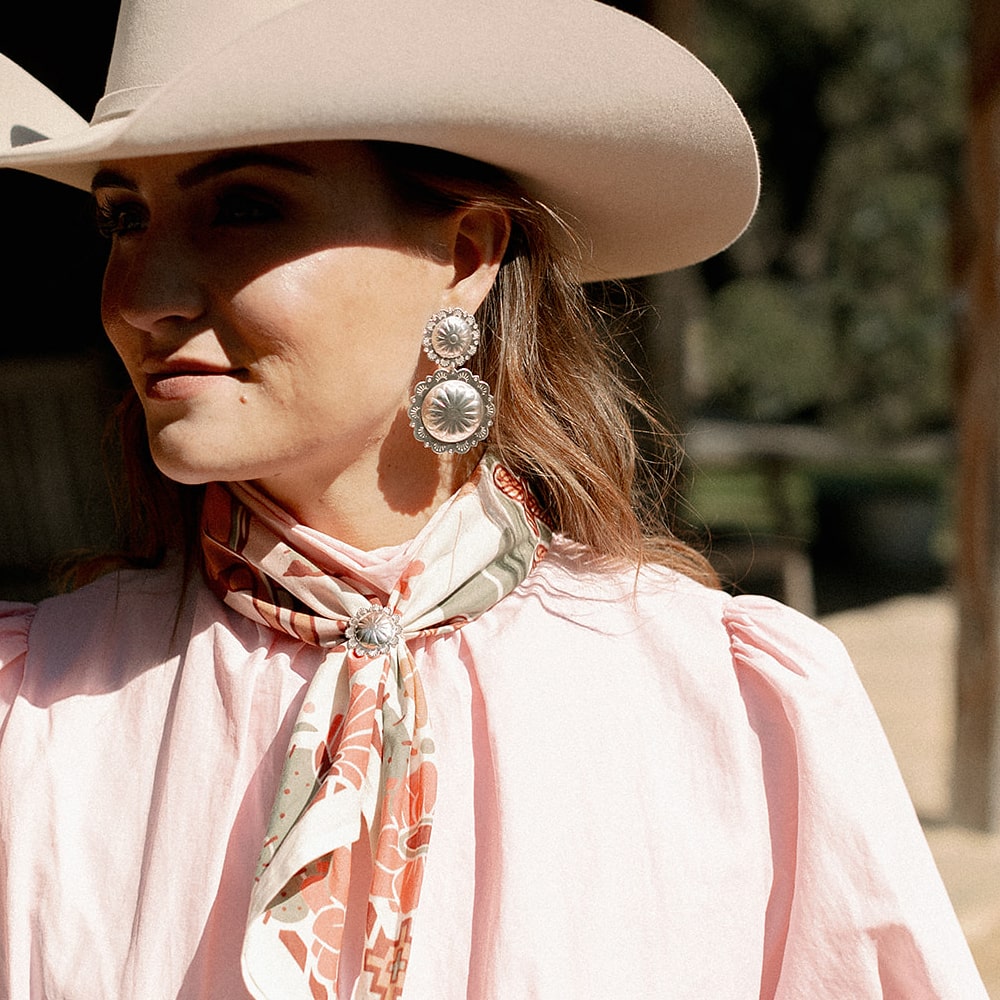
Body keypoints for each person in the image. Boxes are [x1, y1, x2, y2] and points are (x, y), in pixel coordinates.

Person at [0, 1, 987, 998]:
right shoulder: (29, 718)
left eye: (244, 205)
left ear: (465, 256)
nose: (140, 293)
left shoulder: (735, 717)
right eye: (124, 216)